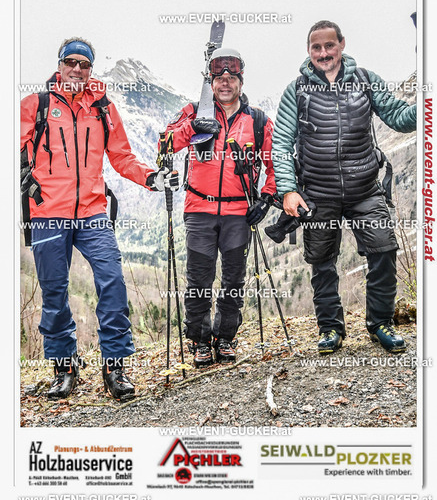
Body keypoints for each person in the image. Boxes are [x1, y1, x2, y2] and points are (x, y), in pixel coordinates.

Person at [21, 37, 178, 400]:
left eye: (85, 64)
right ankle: (64, 367)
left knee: (113, 282)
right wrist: (24, 179)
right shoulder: (36, 105)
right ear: (59, 65)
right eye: (71, 62)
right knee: (54, 292)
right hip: (47, 213)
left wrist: (152, 178)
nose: (77, 69)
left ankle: (115, 366)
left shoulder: (103, 108)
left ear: (91, 69)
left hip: (93, 211)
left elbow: (122, 156)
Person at [272, 21, 416, 354]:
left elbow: (399, 117)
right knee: (322, 262)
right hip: (317, 192)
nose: (323, 53)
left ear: (342, 45)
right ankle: (330, 329)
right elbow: (280, 143)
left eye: (329, 46)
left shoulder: (365, 80)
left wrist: (425, 103)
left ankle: (380, 323)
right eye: (316, 47)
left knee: (383, 251)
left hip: (365, 188)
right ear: (309, 50)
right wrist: (288, 189)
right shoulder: (297, 91)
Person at [165, 47, 276, 367]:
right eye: (219, 77)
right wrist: (193, 128)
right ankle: (200, 340)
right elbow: (165, 144)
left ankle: (225, 337)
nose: (225, 82)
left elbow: (275, 165)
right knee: (199, 280)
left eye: (232, 77)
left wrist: (266, 198)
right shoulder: (193, 111)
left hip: (239, 213)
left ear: (241, 81)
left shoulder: (258, 120)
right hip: (199, 210)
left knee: (233, 280)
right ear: (211, 82)